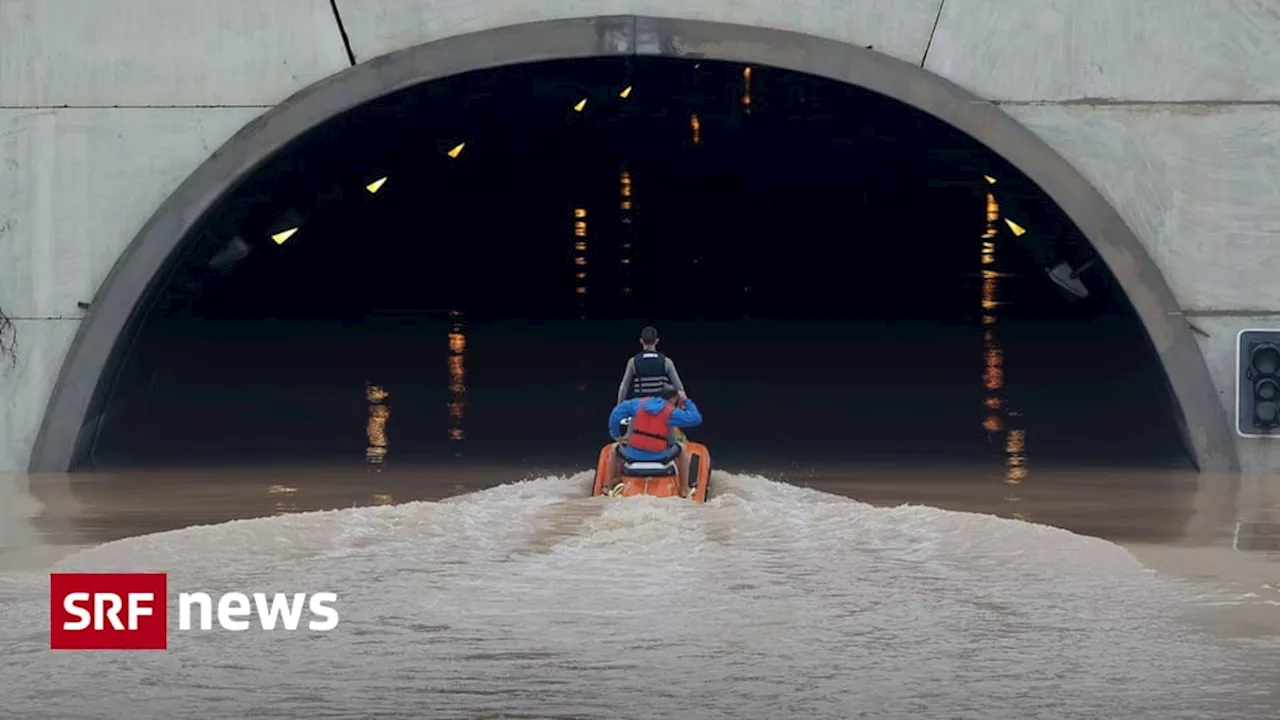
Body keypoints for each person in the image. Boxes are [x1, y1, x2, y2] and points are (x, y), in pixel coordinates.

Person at [608, 383, 702, 463]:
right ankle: (684, 485)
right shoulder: (671, 412)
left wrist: (616, 435)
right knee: (683, 449)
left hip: (633, 454)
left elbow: (616, 414)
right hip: (659, 455)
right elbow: (696, 419)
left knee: (613, 448)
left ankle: (608, 484)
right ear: (673, 399)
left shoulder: (637, 403)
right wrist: (686, 401)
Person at [617, 325, 688, 406]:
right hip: (659, 408)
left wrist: (619, 407)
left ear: (641, 341)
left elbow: (624, 387)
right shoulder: (666, 361)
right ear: (656, 341)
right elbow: (680, 389)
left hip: (639, 407)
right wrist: (685, 408)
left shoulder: (633, 362)